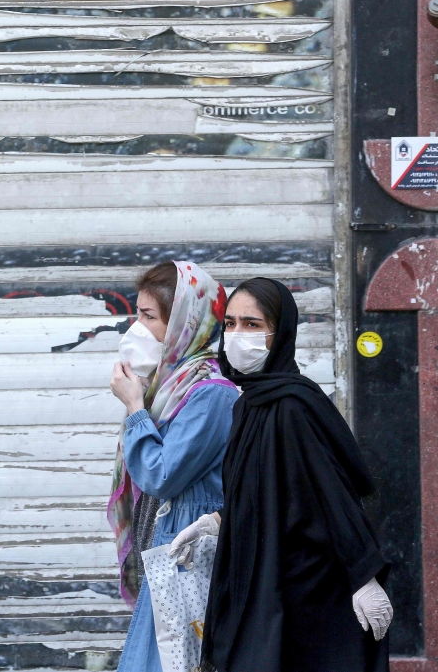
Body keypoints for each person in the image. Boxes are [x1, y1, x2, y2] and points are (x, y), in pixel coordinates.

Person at [169, 278, 393, 672]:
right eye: (232, 324)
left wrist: (364, 575)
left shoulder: (293, 405)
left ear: (281, 332)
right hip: (263, 579)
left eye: (253, 325)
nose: (238, 335)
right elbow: (264, 487)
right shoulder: (250, 403)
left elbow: (332, 494)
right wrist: (216, 522)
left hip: (305, 589)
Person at [108, 261, 239, 672]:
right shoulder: (169, 388)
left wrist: (133, 407)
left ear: (184, 322)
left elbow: (161, 476)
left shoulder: (211, 393)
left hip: (188, 552)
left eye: (149, 316)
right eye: (136, 314)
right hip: (166, 544)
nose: (136, 328)